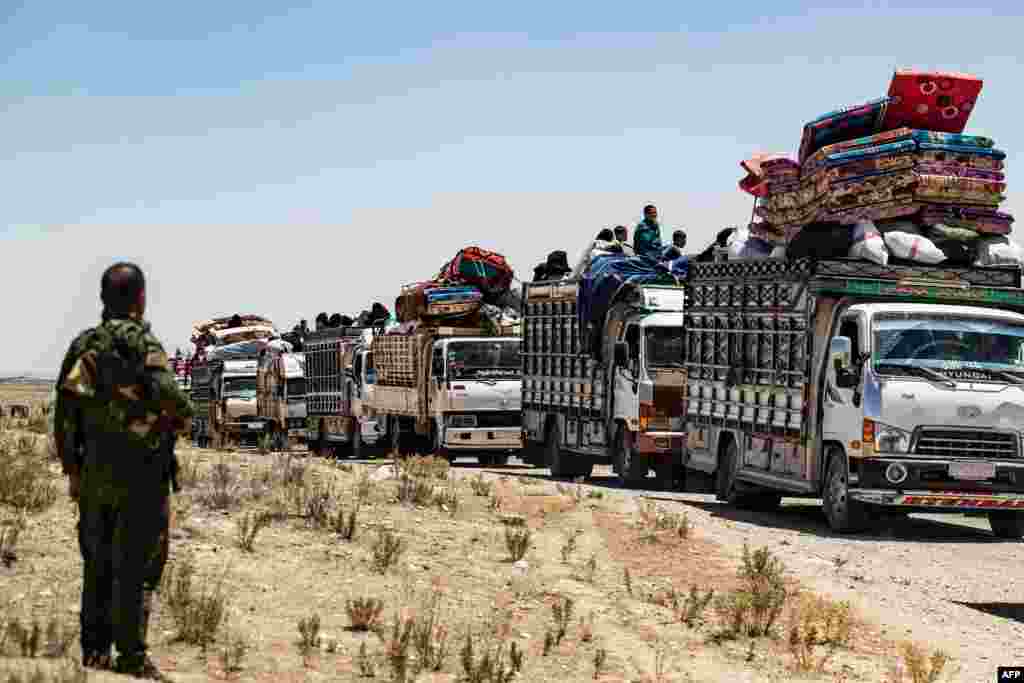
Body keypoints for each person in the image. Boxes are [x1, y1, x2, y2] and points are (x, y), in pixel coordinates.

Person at [54, 263, 193, 679]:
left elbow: (65, 413)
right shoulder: (143, 344)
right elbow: (173, 400)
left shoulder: (85, 347)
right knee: (134, 567)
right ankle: (130, 657)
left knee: (97, 565)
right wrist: (173, 420)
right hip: (141, 479)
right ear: (140, 298)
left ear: (102, 298)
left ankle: (94, 653)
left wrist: (73, 470)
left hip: (95, 477)